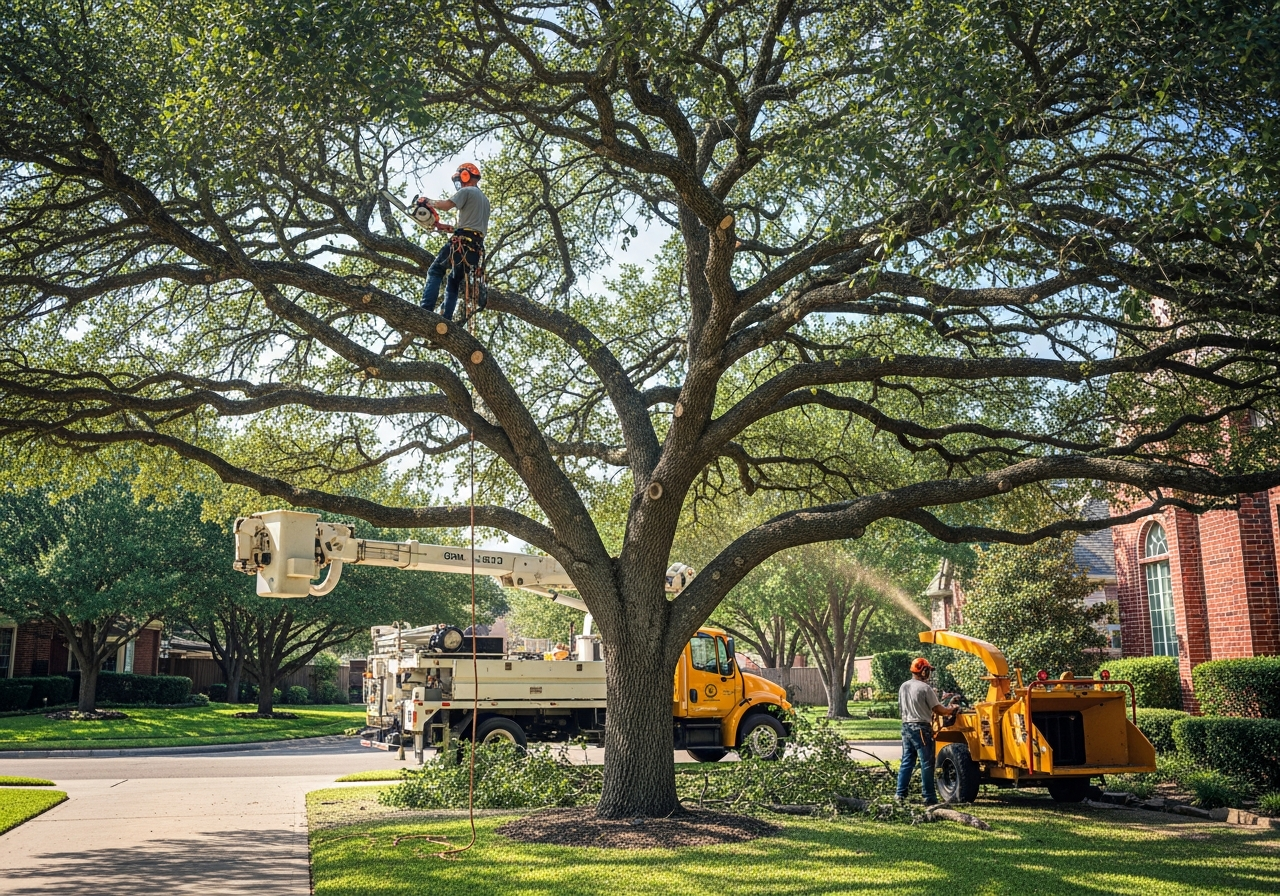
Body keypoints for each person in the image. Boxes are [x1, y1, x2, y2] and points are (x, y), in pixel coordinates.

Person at [418, 162, 491, 320]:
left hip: (461, 244)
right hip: (475, 249)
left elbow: (446, 206)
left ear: (466, 175)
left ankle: (425, 310)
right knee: (453, 282)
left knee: (435, 271)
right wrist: (443, 227)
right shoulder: (485, 200)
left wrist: (427, 202)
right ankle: (446, 318)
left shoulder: (467, 191)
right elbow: (471, 225)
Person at [895, 656, 955, 805]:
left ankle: (900, 795)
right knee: (927, 763)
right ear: (923, 671)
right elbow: (938, 709)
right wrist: (951, 710)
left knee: (907, 761)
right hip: (921, 728)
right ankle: (929, 797)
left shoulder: (904, 686)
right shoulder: (924, 688)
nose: (929, 674)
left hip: (906, 726)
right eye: (928, 670)